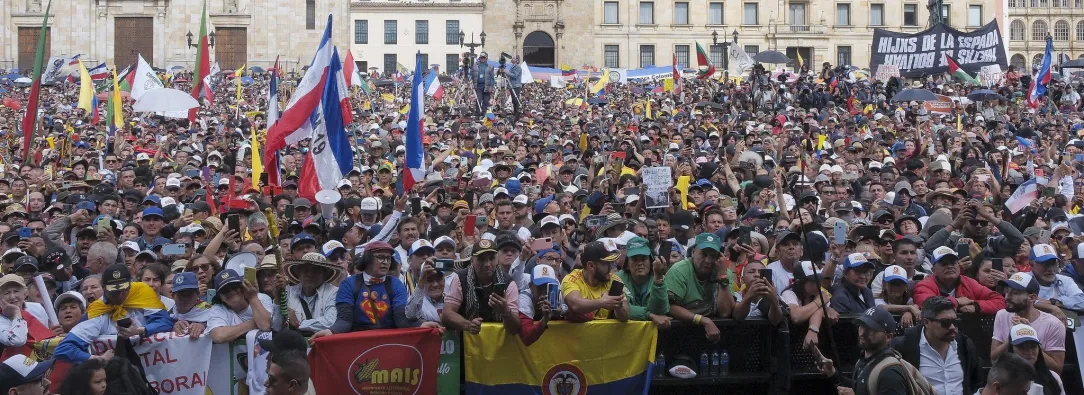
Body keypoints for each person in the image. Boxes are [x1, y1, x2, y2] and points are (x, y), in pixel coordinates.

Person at [55, 264, 173, 363]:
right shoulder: (97, 311)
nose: (120, 295)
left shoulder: (142, 293)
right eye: (114, 292)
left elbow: (166, 322)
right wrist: (97, 359)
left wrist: (140, 330)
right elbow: (63, 349)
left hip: (152, 366)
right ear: (103, 287)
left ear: (130, 283)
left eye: (123, 290)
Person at [816, 306, 921, 395]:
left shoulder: (890, 373)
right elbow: (860, 387)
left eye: (871, 329)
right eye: (861, 326)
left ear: (888, 337)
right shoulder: (865, 359)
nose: (863, 332)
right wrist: (833, 373)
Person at [891, 296, 985, 395]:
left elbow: (977, 382)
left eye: (955, 321)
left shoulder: (965, 345)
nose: (952, 327)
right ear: (926, 322)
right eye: (945, 323)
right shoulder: (905, 346)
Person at [991, 272, 1067, 375]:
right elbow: (994, 358)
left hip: (1039, 378)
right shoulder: (1002, 315)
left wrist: (1030, 337)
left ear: (1032, 298)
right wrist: (1012, 338)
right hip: (1009, 377)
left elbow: (1057, 369)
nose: (1007, 297)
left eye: (1015, 293)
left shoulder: (1054, 324)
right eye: (1007, 291)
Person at [665, 233, 735, 342]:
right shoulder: (679, 270)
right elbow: (669, 307)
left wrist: (722, 277)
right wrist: (702, 320)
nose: (708, 260)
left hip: (716, 332)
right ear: (693, 252)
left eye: (713, 256)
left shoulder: (725, 273)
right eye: (703, 254)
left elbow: (725, 312)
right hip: (681, 331)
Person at [914, 246, 1006, 315]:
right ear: (933, 270)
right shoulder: (924, 285)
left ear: (958, 265)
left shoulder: (969, 282)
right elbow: (928, 305)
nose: (950, 266)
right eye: (944, 264)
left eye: (953, 263)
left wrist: (976, 306)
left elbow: (1000, 301)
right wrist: (957, 301)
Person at [561, 240, 629, 322]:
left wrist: (618, 306)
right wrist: (602, 302)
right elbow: (575, 305)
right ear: (591, 265)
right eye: (606, 263)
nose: (611, 267)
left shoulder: (614, 280)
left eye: (611, 262)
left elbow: (625, 317)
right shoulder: (572, 279)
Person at [207, 269, 279, 343]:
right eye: (225, 290)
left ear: (243, 287)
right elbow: (219, 336)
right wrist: (255, 322)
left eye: (234, 286)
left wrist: (252, 298)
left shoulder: (261, 298)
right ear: (220, 297)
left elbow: (266, 325)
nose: (231, 291)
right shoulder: (217, 308)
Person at [282, 252, 342, 335]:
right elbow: (276, 323)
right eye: (305, 270)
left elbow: (330, 321)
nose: (310, 275)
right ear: (298, 274)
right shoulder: (288, 291)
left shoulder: (334, 292)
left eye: (316, 271)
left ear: (325, 275)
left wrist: (298, 322)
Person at [615, 237, 669, 325]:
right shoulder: (618, 279)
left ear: (651, 261)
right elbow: (624, 309)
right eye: (635, 259)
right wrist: (649, 315)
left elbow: (660, 311)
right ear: (627, 264)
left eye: (644, 259)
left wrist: (658, 279)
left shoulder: (659, 275)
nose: (640, 263)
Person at [1007, 323, 1064, 395]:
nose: (1029, 352)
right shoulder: (1002, 379)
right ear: (1011, 349)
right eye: (1022, 347)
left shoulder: (1054, 377)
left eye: (1033, 346)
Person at [168, 272, 210, 339]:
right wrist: (172, 326)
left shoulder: (210, 311)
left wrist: (204, 326)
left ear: (197, 294)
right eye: (181, 294)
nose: (185, 298)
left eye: (189, 294)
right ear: (173, 296)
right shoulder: (167, 315)